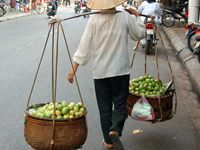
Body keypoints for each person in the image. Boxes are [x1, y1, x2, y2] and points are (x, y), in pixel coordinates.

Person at [68, 0, 146, 149]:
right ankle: (115, 130)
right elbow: (139, 34)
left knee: (104, 108)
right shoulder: (125, 16)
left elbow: (84, 47)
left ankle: (108, 141)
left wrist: (74, 69)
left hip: (101, 72)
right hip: (120, 70)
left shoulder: (94, 19)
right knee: (120, 105)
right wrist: (137, 16)